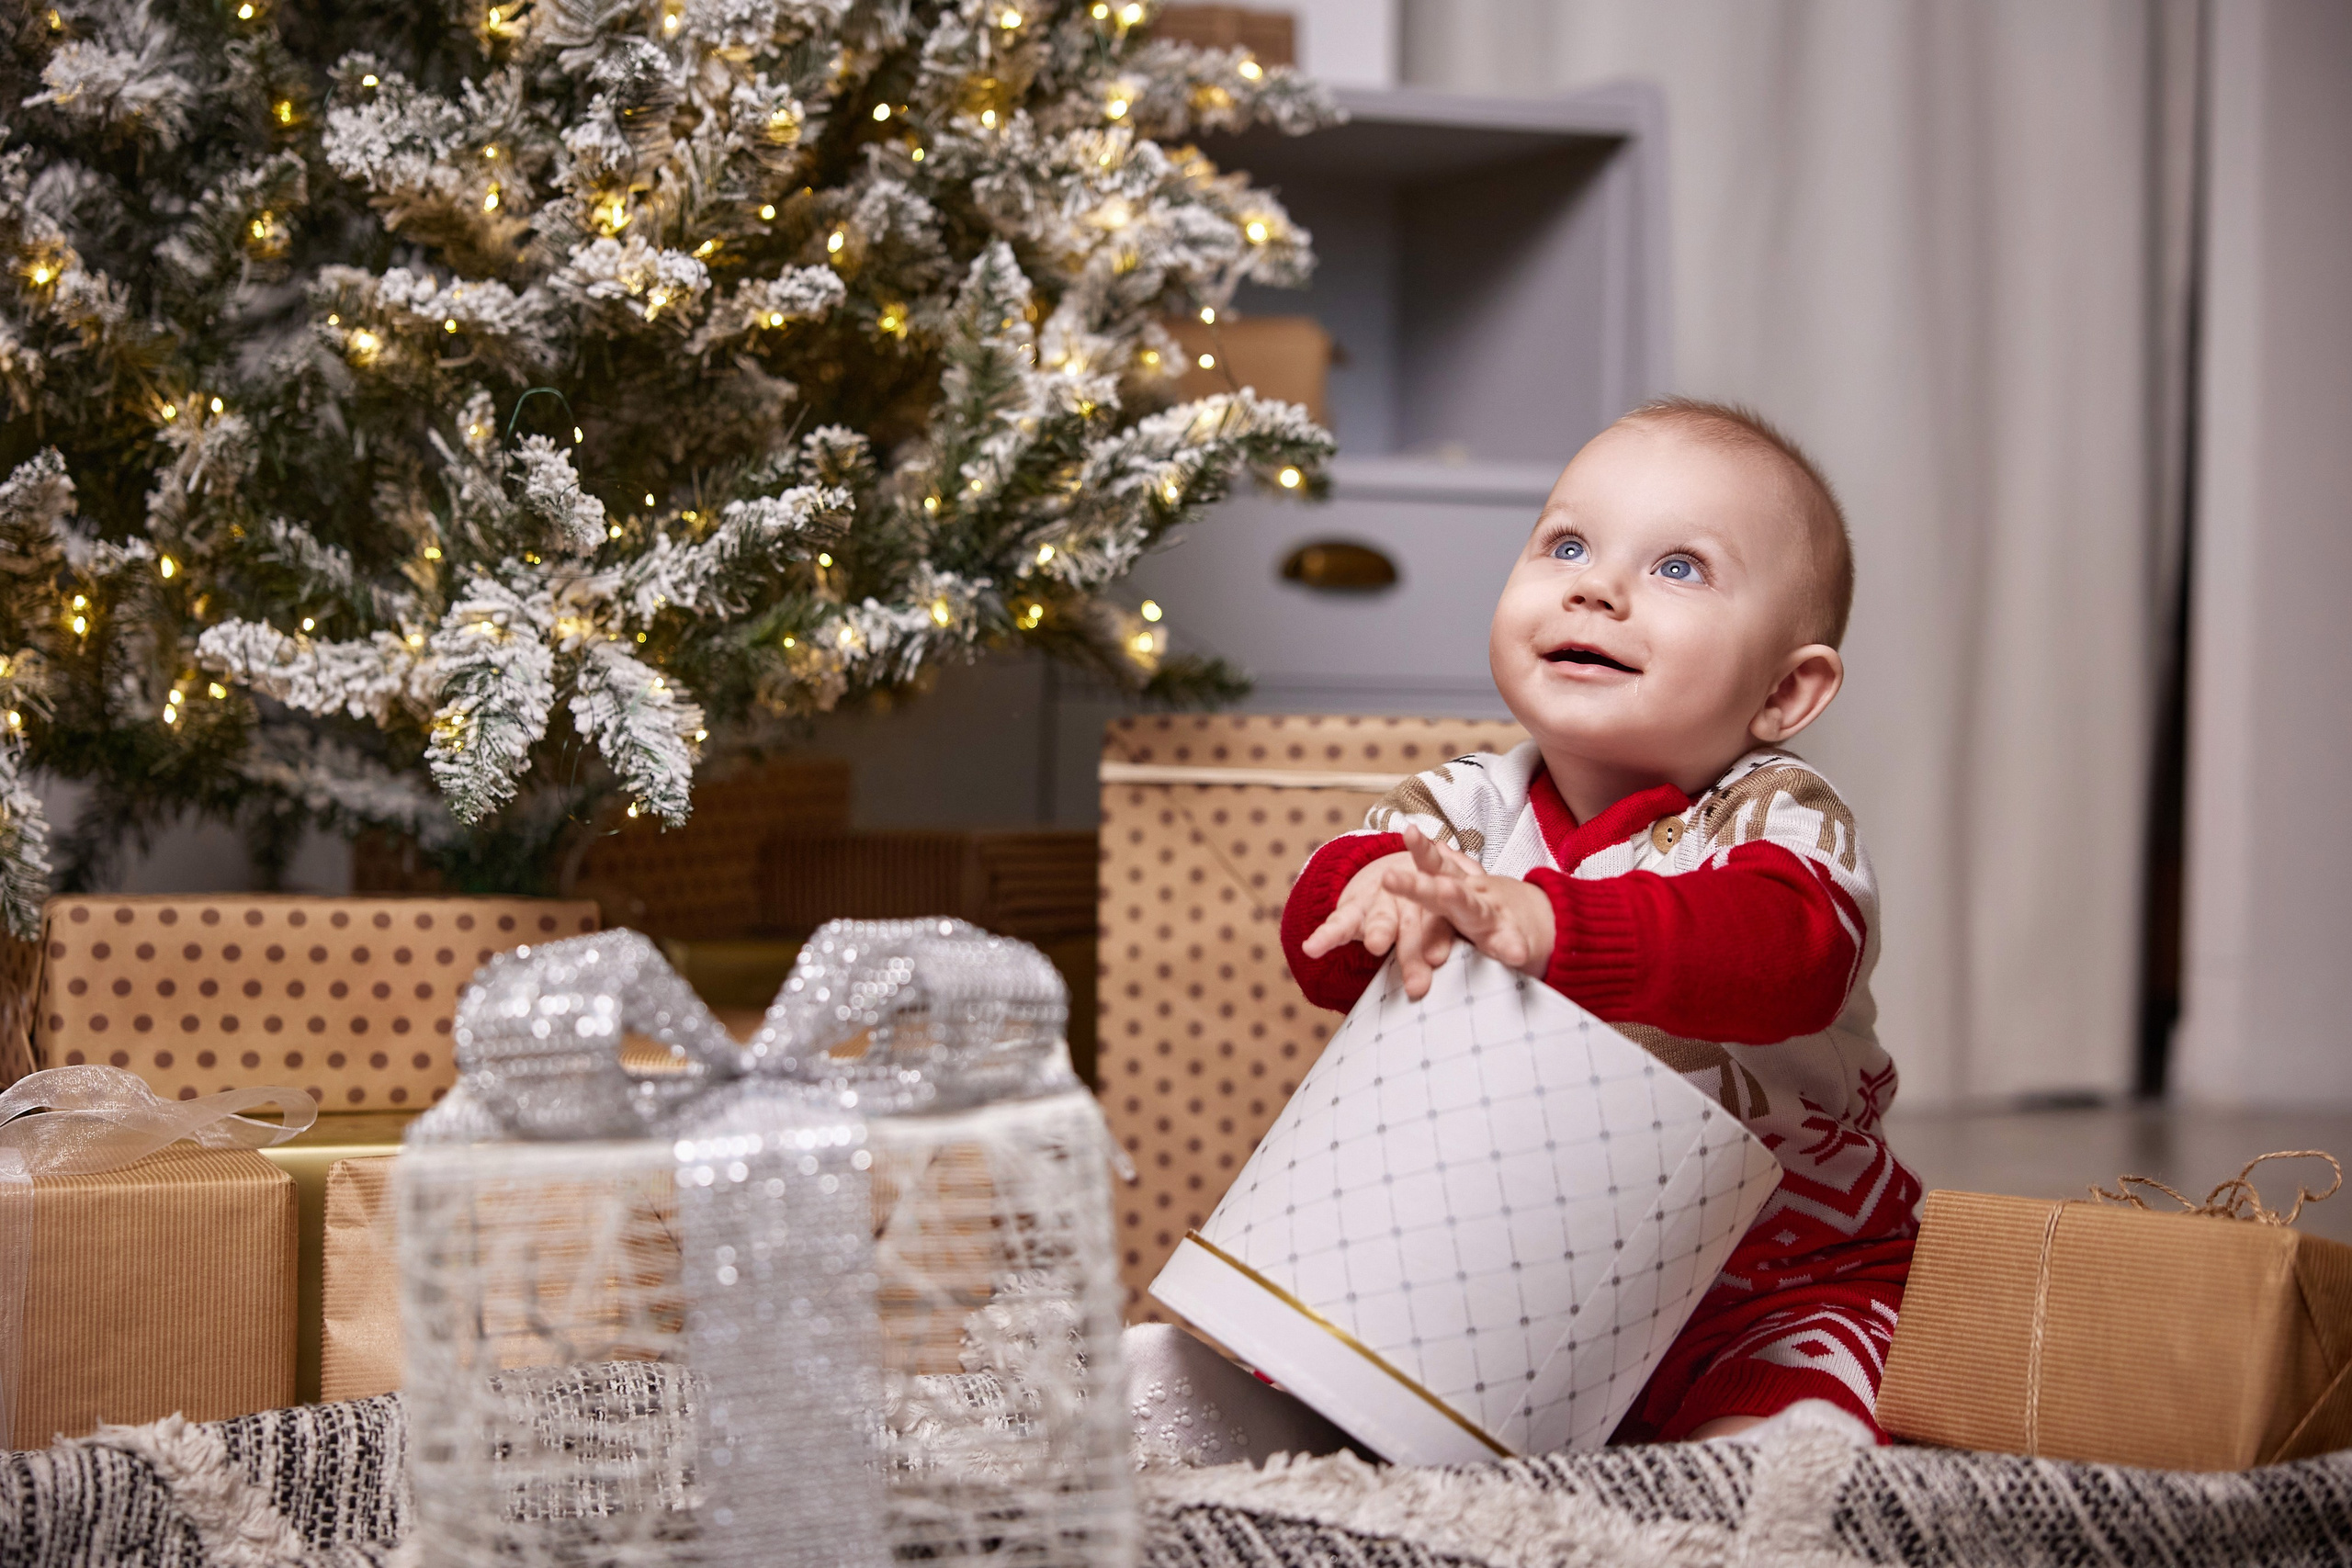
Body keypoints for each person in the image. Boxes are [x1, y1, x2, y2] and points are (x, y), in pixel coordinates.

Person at [1280, 397, 1920, 1443]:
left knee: (1806, 1438)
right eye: (1566, 543)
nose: (1595, 585)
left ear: (1785, 690)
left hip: (1771, 1281)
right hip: (1503, 1284)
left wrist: (1554, 924)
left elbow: (1786, 952)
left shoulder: (1778, 818)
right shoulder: (1463, 808)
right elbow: (1328, 919)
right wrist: (1375, 895)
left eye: (1679, 568)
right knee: (1293, 1377)